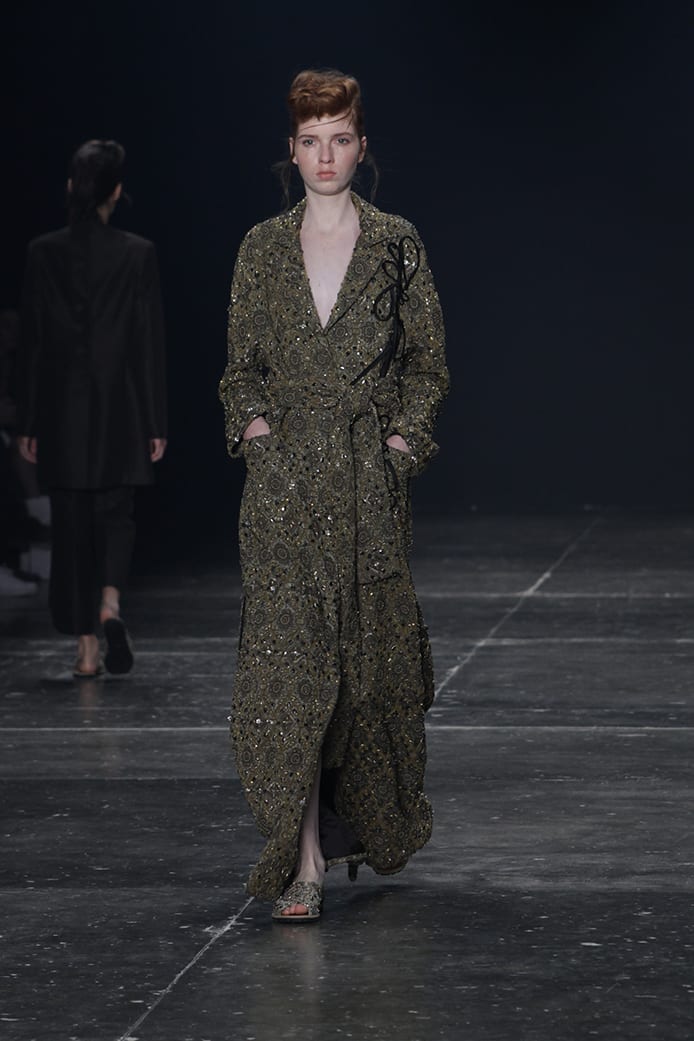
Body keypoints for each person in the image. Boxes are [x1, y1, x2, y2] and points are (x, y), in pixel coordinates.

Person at [219, 68, 449, 922]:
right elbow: (240, 370)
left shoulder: (396, 243)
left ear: (362, 146)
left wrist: (398, 448)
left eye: (340, 138)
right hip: (282, 494)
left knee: (363, 674)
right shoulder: (260, 248)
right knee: (290, 675)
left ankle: (343, 833)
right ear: (291, 149)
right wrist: (258, 439)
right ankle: (304, 859)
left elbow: (427, 363)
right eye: (311, 140)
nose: (325, 155)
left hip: (365, 490)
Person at [16, 139, 167, 677]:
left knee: (72, 524)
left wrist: (29, 419)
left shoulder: (42, 252)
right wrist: (155, 420)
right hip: (121, 407)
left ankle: (85, 649)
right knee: (117, 516)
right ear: (117, 192)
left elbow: (33, 344)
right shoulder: (138, 253)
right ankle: (109, 603)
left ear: (70, 188)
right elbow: (147, 343)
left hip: (61, 411)